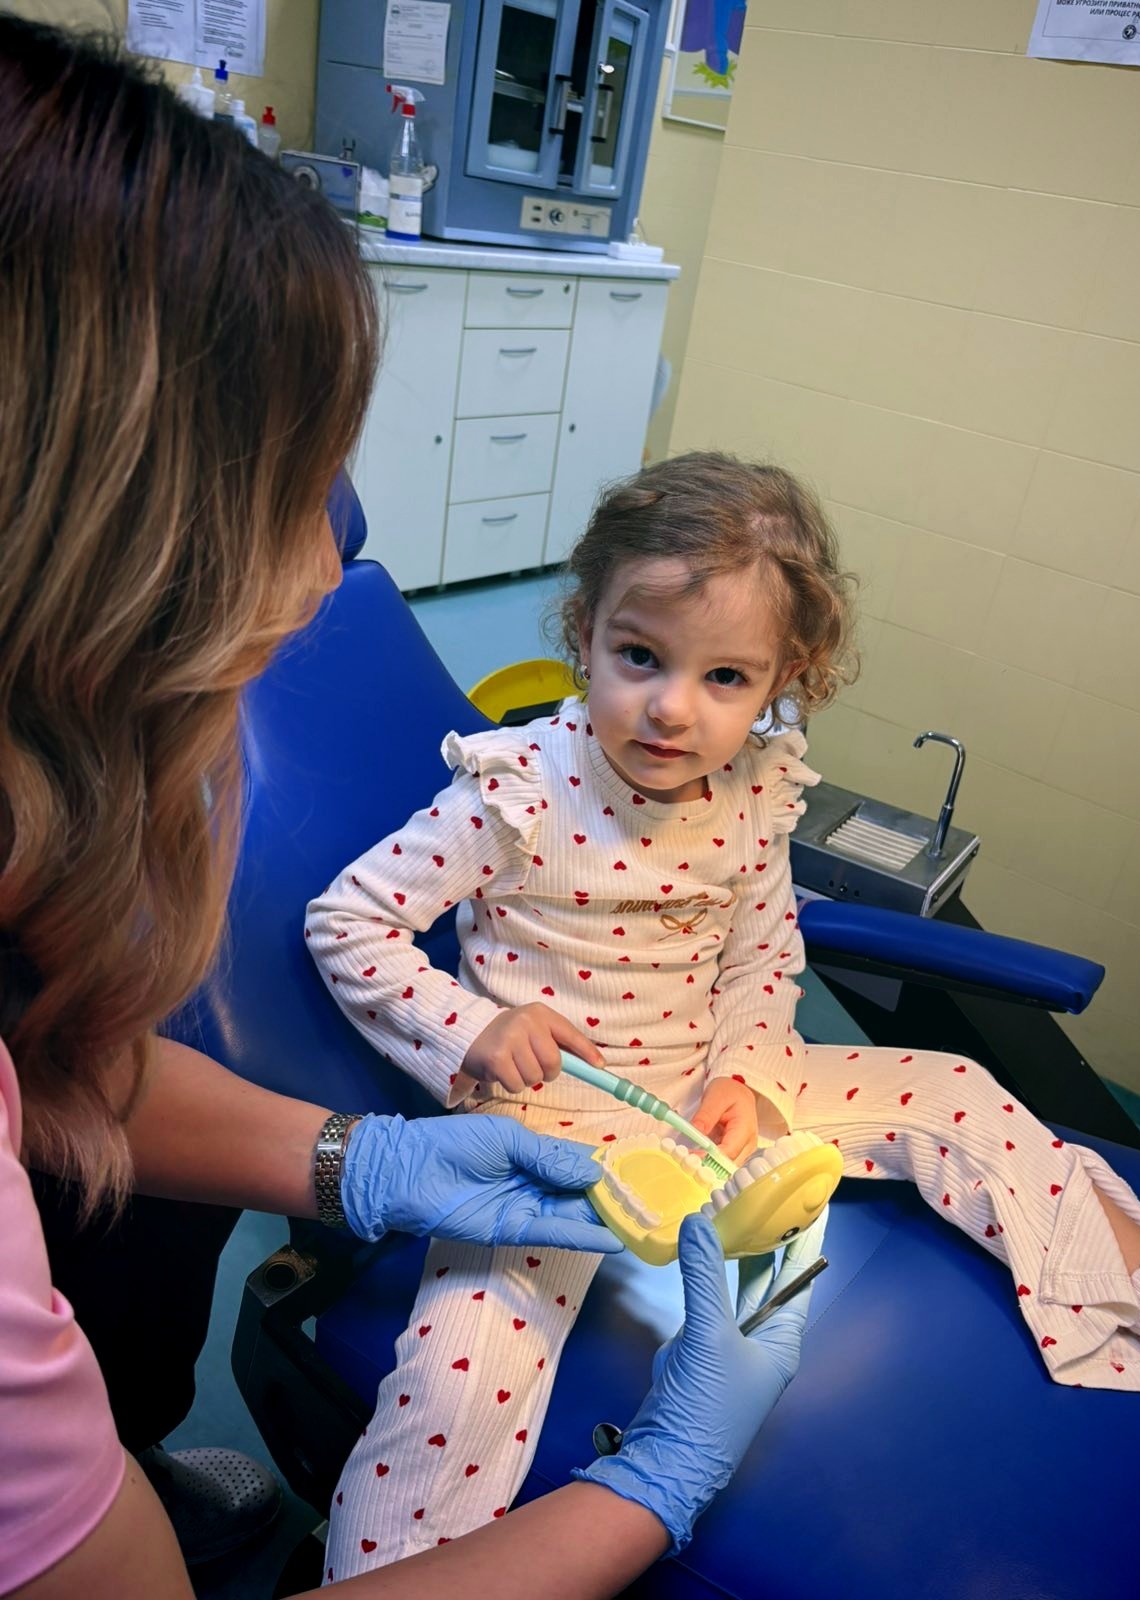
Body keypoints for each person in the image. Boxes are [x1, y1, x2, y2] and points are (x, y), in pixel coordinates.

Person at [0, 19, 826, 1600]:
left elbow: (36, 1068)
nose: (333, 563)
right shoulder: (519, 788)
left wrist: (358, 1160)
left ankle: (128, 1451)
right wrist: (658, 1478)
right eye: (288, 492)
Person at [308, 450, 1140, 1573]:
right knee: (457, 1381)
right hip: (549, 1129)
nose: (672, 707)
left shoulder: (753, 793)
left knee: (959, 1093)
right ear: (584, 632)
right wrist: (471, 1028)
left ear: (787, 678)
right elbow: (349, 922)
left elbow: (763, 958)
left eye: (726, 677)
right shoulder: (518, 790)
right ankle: (384, 1575)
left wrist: (752, 1076)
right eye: (639, 656)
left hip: (713, 1095)